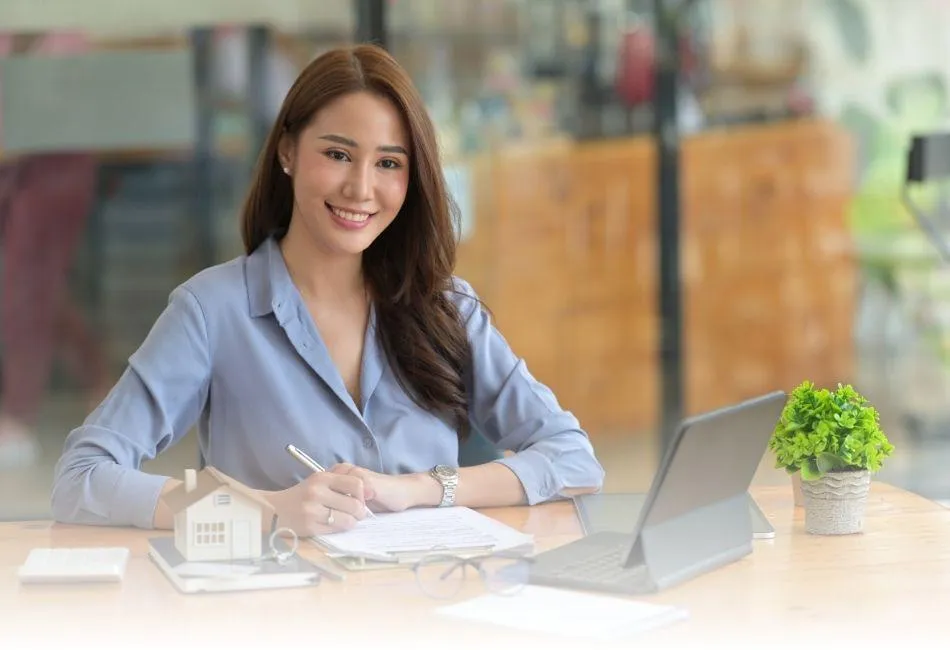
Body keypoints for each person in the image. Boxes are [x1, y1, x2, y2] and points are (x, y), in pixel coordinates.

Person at [51, 44, 605, 535]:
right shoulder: (211, 311)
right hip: (278, 614)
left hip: (426, 609)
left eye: (388, 163)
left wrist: (422, 488)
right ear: (287, 151)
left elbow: (573, 459)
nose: (360, 188)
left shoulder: (447, 309)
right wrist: (264, 510)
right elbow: (83, 477)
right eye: (338, 154)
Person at [0, 32, 108, 468]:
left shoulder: (65, 39)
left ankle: (15, 416)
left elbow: (48, 115)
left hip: (54, 166)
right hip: (10, 164)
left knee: (27, 286)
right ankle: (100, 380)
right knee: (36, 288)